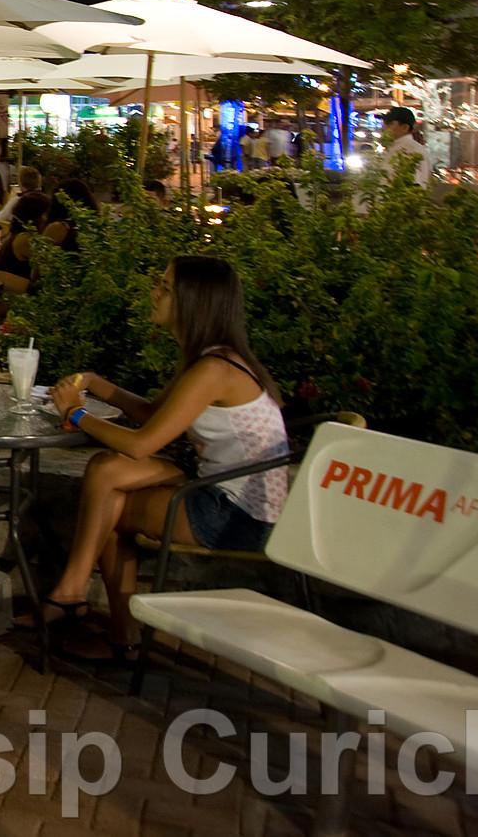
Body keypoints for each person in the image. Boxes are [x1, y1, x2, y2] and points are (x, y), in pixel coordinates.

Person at [43, 255, 289, 659]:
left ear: (195, 301)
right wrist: (95, 383)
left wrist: (76, 413)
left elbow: (142, 444)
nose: (154, 291)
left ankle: (100, 616)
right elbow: (155, 416)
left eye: (166, 287)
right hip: (218, 486)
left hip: (238, 515)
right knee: (106, 472)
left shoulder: (214, 368)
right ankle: (79, 598)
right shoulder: (213, 358)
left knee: (109, 501)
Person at [379, 105, 430, 186]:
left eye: (390, 124)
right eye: (384, 123)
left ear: (405, 127)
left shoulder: (412, 150)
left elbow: (414, 186)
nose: (383, 128)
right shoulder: (394, 147)